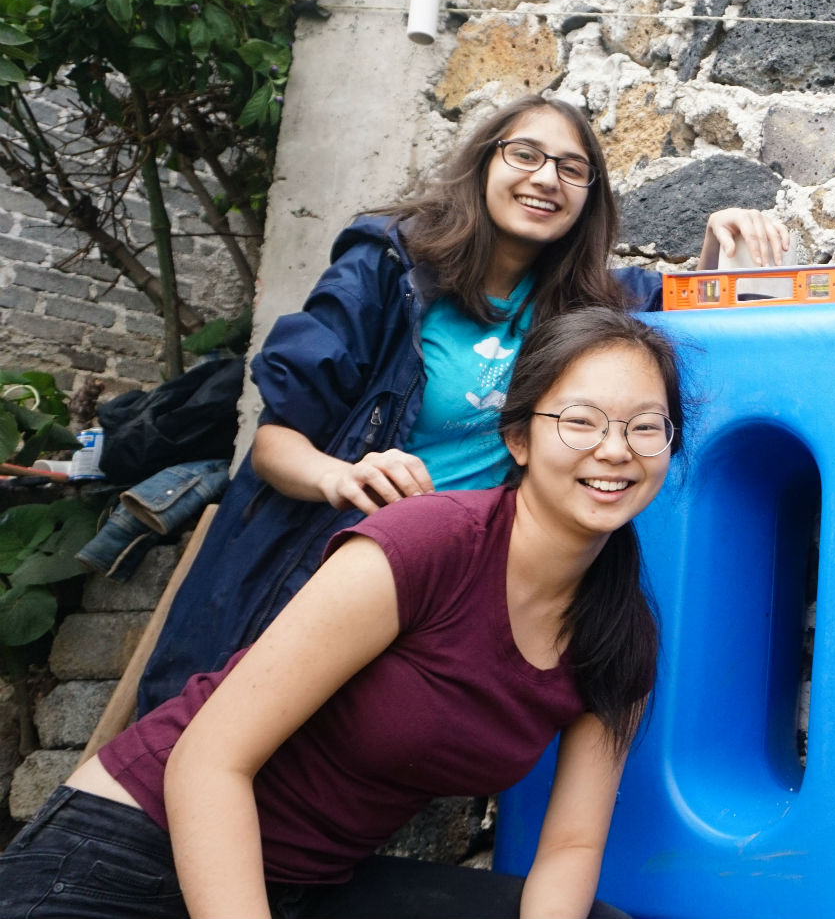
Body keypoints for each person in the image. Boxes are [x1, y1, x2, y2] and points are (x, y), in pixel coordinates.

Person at [0, 307, 682, 918]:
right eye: (581, 421)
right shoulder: (424, 546)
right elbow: (208, 761)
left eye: (644, 427)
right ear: (519, 439)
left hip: (306, 889)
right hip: (128, 855)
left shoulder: (618, 638)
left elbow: (570, 843)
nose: (615, 449)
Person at [137, 95, 786, 713]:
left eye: (572, 168)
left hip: (451, 592)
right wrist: (344, 476)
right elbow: (276, 446)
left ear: (588, 197)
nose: (547, 178)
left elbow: (679, 311)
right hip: (330, 561)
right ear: (484, 163)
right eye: (525, 154)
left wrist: (716, 249)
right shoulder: (386, 271)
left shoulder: (577, 305)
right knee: (219, 736)